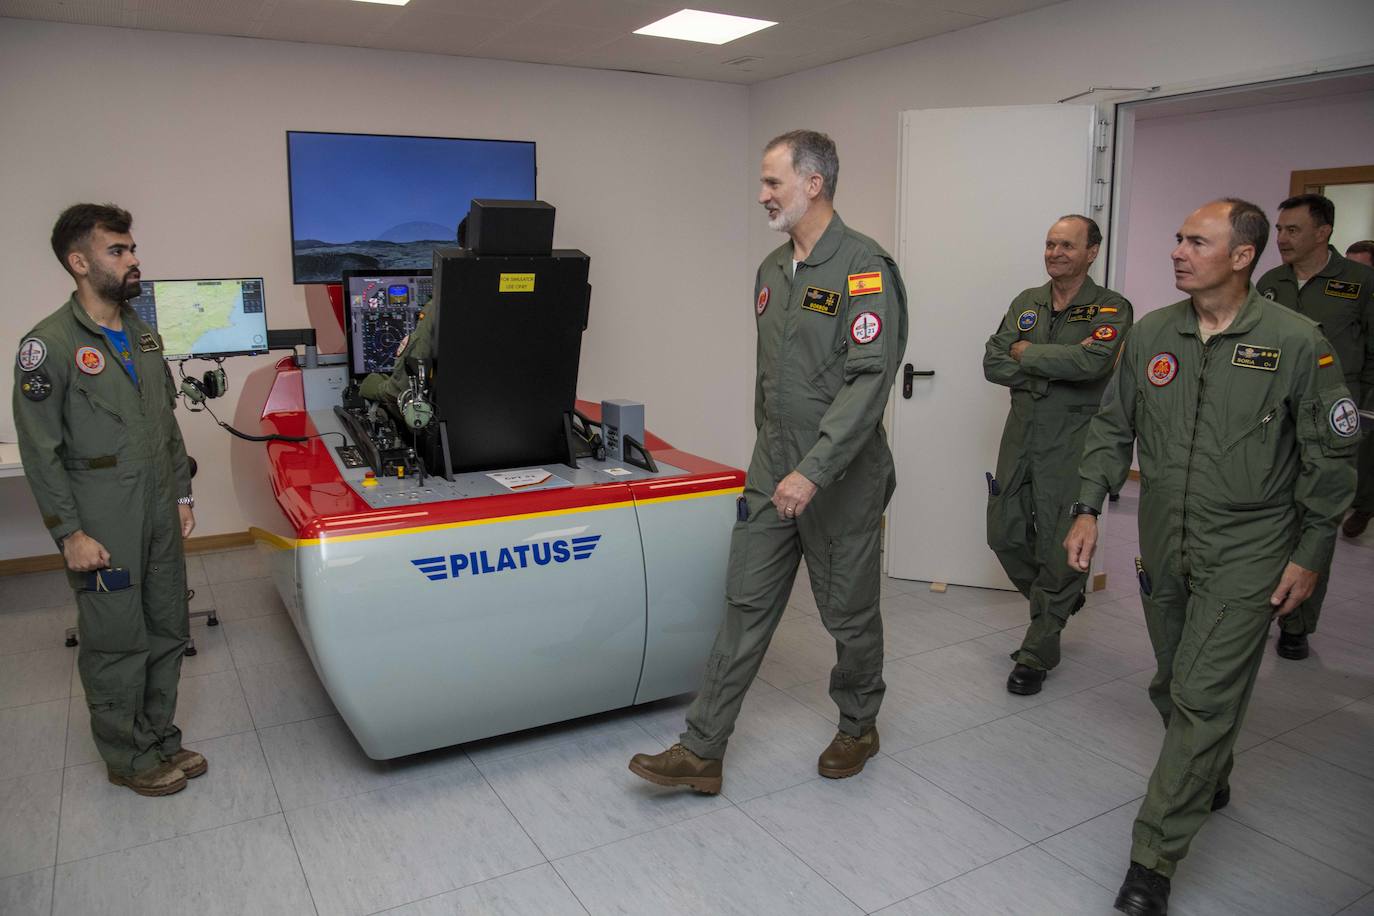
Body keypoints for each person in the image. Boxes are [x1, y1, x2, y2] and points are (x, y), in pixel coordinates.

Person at [1066, 198, 1359, 916]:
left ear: (1241, 255)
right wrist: (1086, 506)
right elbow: (1113, 427)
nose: (1178, 250)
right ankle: (1208, 771)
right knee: (1173, 683)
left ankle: (1153, 860)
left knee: (1201, 697)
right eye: (1177, 237)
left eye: (1197, 241)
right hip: (1165, 536)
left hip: (1251, 544)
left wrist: (1311, 551)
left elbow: (1332, 455)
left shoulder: (1297, 342)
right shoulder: (1152, 333)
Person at [627, 130, 908, 793]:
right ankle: (702, 750)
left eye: (773, 182)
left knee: (849, 616)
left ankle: (859, 722)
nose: (762, 195)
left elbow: (868, 383)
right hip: (770, 471)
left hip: (839, 479)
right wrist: (775, 463)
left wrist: (812, 470)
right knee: (744, 604)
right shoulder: (770, 273)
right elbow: (769, 385)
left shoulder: (865, 269)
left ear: (813, 184)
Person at [13, 204, 205, 796]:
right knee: (117, 641)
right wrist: (68, 533)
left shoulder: (143, 334)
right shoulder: (48, 346)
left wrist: (180, 492)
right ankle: (127, 757)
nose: (133, 259)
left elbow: (166, 426)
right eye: (117, 251)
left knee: (169, 628)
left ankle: (157, 738)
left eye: (131, 248)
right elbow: (39, 451)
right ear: (79, 262)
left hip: (157, 511)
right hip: (103, 522)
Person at [984, 215, 1133, 695]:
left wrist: (1026, 355)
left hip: (1073, 441)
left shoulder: (1112, 308)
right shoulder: (1026, 302)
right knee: (1003, 533)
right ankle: (1057, 602)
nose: (1055, 253)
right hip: (1021, 435)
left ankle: (1037, 650)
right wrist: (1050, 368)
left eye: (1067, 245)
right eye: (1050, 244)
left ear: (1092, 252)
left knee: (1060, 544)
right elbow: (992, 361)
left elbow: (1094, 364)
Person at [1256, 195, 1374, 652]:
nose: (1282, 238)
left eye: (1292, 230)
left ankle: (1297, 624)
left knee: (1315, 521)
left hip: (1331, 424)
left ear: (1322, 232)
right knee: (1268, 518)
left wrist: (1363, 415)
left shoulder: (1361, 282)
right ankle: (1261, 604)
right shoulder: (1269, 282)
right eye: (1280, 229)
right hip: (1272, 422)